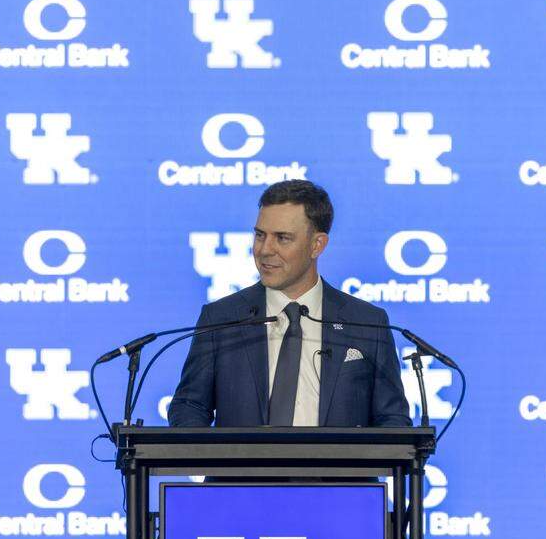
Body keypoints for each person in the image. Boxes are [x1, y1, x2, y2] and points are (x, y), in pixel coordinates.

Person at [168, 180, 410, 428]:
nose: (264, 250)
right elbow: (190, 406)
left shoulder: (367, 323)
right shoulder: (221, 318)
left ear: (317, 245)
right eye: (260, 235)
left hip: (335, 468)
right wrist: (207, 459)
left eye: (282, 238)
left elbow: (392, 419)